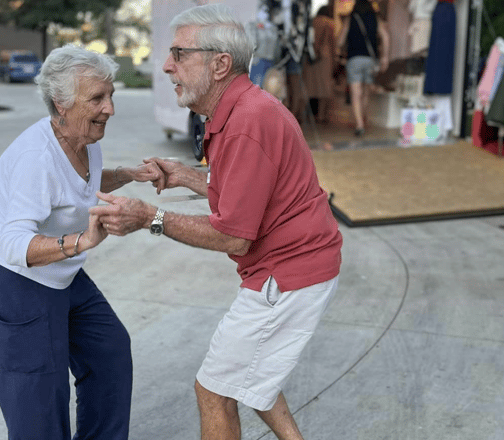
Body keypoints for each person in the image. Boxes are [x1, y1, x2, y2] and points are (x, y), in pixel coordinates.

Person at [91, 4, 343, 440]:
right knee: (251, 379)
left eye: (180, 54)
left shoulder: (248, 121)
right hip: (295, 268)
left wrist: (149, 218)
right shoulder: (243, 109)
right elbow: (249, 192)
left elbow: (234, 234)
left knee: (215, 390)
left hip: (288, 274)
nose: (168, 66)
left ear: (220, 64)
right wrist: (186, 175)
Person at [0, 44, 165, 440]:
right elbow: (14, 245)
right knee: (39, 400)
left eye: (111, 96)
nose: (110, 108)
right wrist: (82, 240)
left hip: (60, 273)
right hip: (14, 278)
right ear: (61, 104)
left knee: (108, 352)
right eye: (97, 98)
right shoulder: (35, 159)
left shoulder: (81, 138)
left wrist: (129, 173)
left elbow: (80, 182)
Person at [337, 0, 389, 136]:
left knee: (356, 93)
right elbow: (385, 36)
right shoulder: (375, 18)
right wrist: (385, 57)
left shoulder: (350, 19)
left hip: (354, 59)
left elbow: (340, 41)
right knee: (366, 92)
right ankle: (362, 119)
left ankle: (359, 124)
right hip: (371, 60)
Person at [302, 4, 337, 123]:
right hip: (325, 58)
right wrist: (335, 61)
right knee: (324, 88)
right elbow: (333, 44)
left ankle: (303, 114)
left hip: (310, 56)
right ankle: (321, 116)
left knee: (308, 86)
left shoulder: (312, 22)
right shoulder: (330, 24)